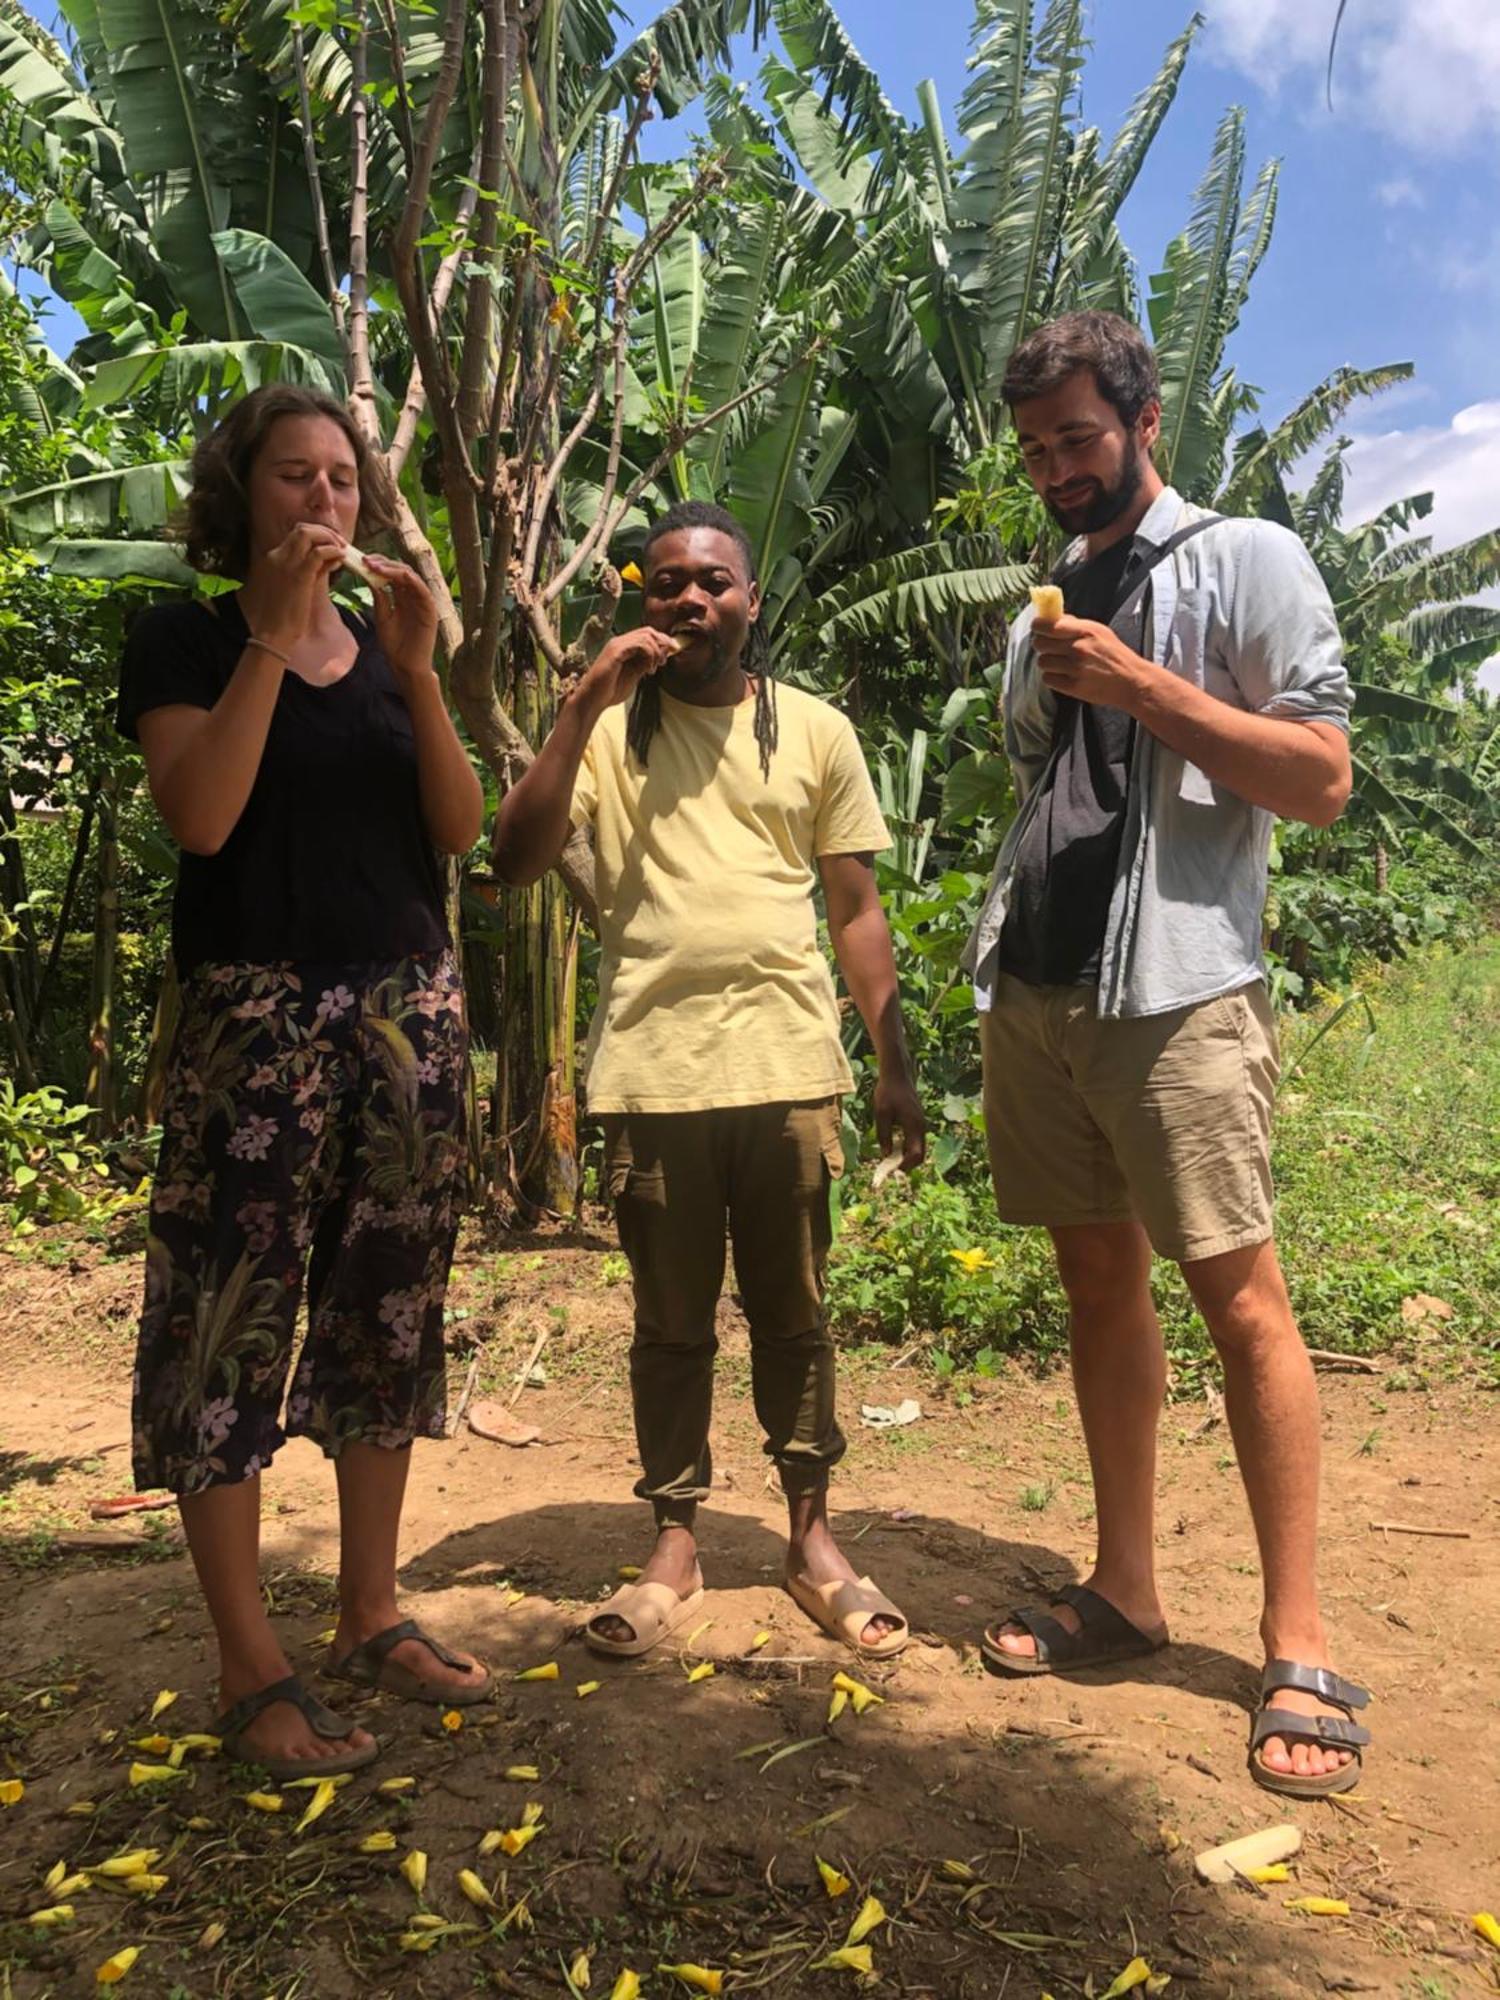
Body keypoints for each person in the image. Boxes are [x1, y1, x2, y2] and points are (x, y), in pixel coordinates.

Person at [967, 312, 1371, 1799]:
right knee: (1095, 1280)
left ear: (1143, 417)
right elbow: (1045, 795)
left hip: (1183, 991)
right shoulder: (1041, 604)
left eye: (1079, 438)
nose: (1059, 471)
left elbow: (1321, 779)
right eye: (1035, 452)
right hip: (1045, 983)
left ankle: (1299, 1638)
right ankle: (1127, 1590)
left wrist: (1147, 689)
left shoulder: (1244, 559)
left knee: (1241, 1296)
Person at [118, 385, 490, 1778]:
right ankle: (248, 1661)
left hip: (407, 1014)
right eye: (293, 477)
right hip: (251, 1020)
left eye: (342, 479)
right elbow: (203, 816)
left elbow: (453, 834)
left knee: (386, 1312)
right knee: (229, 1319)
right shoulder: (189, 636)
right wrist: (274, 644)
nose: (324, 501)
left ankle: (369, 1614)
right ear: (240, 494)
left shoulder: (391, 654)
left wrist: (425, 667)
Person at [495, 500, 927, 1660]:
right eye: (668, 583)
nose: (690, 600)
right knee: (671, 1324)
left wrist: (894, 1062)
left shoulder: (817, 731)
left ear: (751, 600)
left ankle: (810, 1538)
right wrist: (580, 699)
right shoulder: (606, 731)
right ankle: (675, 1543)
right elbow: (514, 855)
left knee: (796, 1316)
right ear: (645, 601)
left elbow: (856, 906)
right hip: (652, 1074)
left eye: (714, 582)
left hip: (788, 1067)